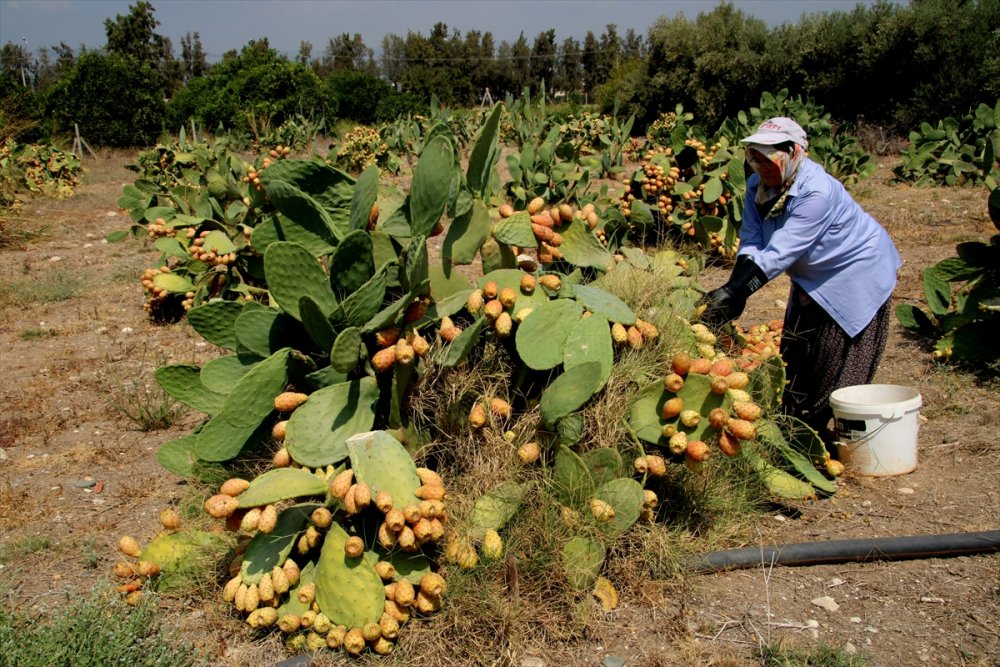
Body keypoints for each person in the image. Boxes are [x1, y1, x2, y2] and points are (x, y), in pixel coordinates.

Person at [701, 117, 901, 444]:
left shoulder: (816, 191)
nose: (760, 166)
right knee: (796, 352)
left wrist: (735, 291)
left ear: (794, 153)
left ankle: (816, 438)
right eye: (755, 157)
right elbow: (752, 241)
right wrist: (734, 289)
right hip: (812, 275)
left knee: (835, 361)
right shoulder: (757, 188)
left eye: (769, 159)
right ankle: (794, 426)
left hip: (856, 272)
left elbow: (781, 252)